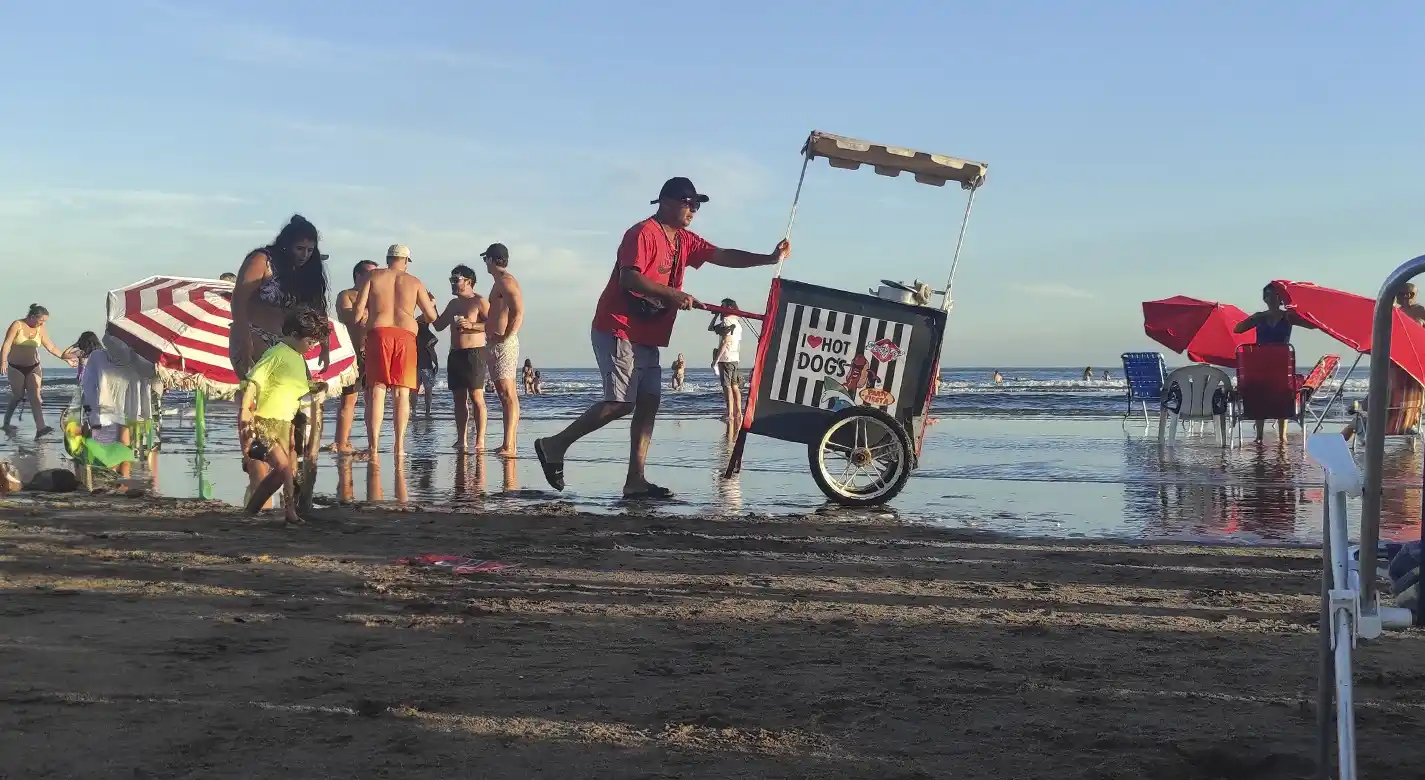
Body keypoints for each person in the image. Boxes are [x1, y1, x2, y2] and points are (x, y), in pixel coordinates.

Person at [533, 176, 790, 499]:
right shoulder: (642, 233)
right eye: (688, 203)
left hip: (648, 332)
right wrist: (672, 293)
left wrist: (767, 259)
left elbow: (721, 255)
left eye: (696, 205)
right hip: (618, 326)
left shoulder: (684, 240)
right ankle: (554, 445)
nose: (693, 210)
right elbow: (630, 278)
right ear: (666, 203)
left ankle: (635, 480)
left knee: (650, 402)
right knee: (620, 402)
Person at [239, 307, 331, 524]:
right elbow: (253, 382)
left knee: (285, 471)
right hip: (265, 422)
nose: (311, 348)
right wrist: (245, 415)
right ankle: (259, 511)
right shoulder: (276, 353)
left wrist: (313, 386)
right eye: (309, 343)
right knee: (282, 468)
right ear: (294, 335)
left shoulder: (298, 358)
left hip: (285, 423)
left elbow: (293, 386)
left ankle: (284, 511)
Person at [354, 244, 438, 456]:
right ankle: (399, 447)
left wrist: (369, 316)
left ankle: (373, 447)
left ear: (387, 258)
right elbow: (431, 316)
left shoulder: (372, 277)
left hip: (379, 333)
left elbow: (356, 315)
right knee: (401, 393)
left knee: (377, 391)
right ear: (406, 261)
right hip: (405, 336)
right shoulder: (415, 282)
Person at [230, 215, 330, 380]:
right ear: (286, 245)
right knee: (259, 398)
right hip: (252, 333)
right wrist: (244, 339)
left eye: (310, 250)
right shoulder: (261, 261)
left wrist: (326, 347)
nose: (305, 255)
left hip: (285, 341)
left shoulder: (305, 271)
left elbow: (318, 308)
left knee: (299, 394)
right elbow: (239, 299)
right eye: (300, 248)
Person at [1235, 283, 1317, 443]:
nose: (1271, 298)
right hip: (1260, 361)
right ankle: (1259, 435)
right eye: (1268, 295)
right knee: (1260, 393)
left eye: (1275, 295)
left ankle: (1282, 436)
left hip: (1281, 361)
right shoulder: (1260, 317)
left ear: (1280, 298)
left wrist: (1299, 311)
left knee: (1282, 393)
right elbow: (1238, 329)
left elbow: (1312, 325)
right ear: (1264, 298)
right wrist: (1253, 318)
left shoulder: (1288, 316)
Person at [434, 264, 490, 453]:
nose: (452, 283)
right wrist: (430, 306)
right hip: (455, 353)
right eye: (451, 280)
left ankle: (480, 439)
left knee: (476, 396)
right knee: (458, 398)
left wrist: (472, 325)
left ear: (468, 281)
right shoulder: (453, 304)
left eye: (455, 280)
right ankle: (461, 438)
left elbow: (494, 326)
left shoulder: (479, 301)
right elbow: (439, 325)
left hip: (474, 352)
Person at [2, 304, 78, 437]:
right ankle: (6, 423)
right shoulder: (17, 325)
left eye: (44, 321)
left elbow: (51, 347)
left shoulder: (40, 329)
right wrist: (2, 361)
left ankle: (41, 428)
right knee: (17, 396)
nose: (43, 323)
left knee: (35, 397)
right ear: (32, 317)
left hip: (33, 367)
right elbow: (7, 343)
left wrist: (65, 358)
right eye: (41, 320)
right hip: (15, 367)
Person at [332, 260, 379, 455]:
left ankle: (372, 444)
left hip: (374, 351)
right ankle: (341, 441)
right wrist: (368, 313)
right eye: (370, 274)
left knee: (374, 398)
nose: (374, 278)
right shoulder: (347, 295)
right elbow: (350, 317)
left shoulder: (378, 297)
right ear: (358, 275)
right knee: (349, 399)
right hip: (353, 352)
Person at [482, 243, 524, 456]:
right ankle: (509, 443)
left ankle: (509, 445)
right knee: (505, 394)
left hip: (504, 345)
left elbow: (518, 312)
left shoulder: (506, 281)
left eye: (485, 259)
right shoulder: (499, 282)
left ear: (491, 259)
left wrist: (506, 336)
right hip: (496, 343)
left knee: (507, 394)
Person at [709, 298, 745, 427]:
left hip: (726, 357)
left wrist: (715, 360)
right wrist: (716, 316)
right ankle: (739, 413)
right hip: (735, 357)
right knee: (734, 386)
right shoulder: (737, 322)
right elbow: (711, 328)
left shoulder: (726, 321)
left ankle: (730, 414)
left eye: (722, 306)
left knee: (727, 387)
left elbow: (725, 341)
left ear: (728, 307)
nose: (720, 308)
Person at [416, 294, 440, 419]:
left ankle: (413, 411)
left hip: (414, 364)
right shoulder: (427, 334)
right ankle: (427, 412)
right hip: (426, 365)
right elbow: (431, 349)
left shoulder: (414, 330)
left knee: (414, 390)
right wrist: (436, 362)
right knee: (428, 391)